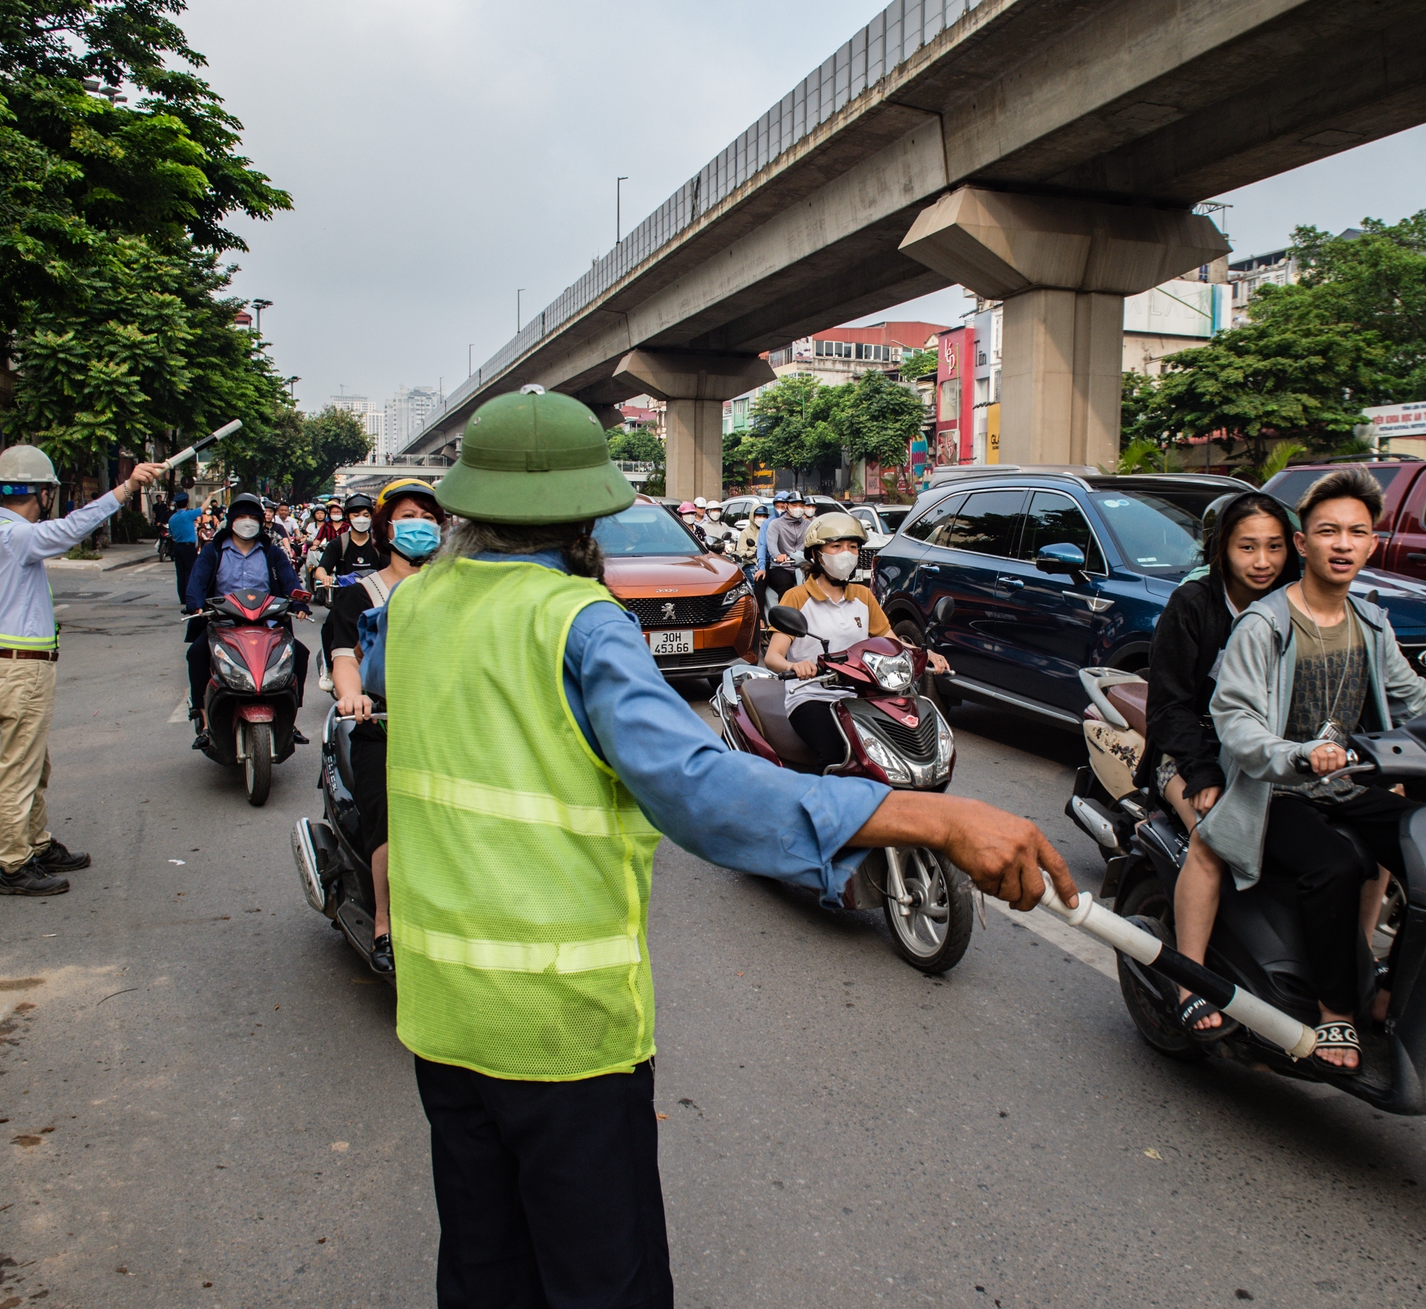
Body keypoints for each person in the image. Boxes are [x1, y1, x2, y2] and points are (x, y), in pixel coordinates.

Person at [379, 388, 1074, 1309]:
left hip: (443, 1013)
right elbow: (701, 790)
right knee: (602, 1282)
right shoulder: (579, 622)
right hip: (561, 1029)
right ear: (590, 512)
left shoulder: (413, 608)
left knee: (483, 1266)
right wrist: (932, 818)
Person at [1200, 467, 1426, 1072]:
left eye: (1356, 533)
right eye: (1328, 532)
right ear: (1303, 544)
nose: (1342, 544)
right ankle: (1335, 1010)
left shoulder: (1370, 623)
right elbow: (1235, 723)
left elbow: (1418, 700)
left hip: (1345, 784)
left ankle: (1395, 989)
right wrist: (1294, 754)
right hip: (1274, 795)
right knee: (1340, 863)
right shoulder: (1262, 626)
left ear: (1372, 544)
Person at [1132, 492, 1296, 1039]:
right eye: (1247, 547)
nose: (1262, 561)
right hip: (1190, 753)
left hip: (1270, 756)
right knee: (1215, 837)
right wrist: (1201, 773)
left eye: (1273, 547)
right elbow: (1168, 706)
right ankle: (1190, 978)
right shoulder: (1193, 605)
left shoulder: (1296, 603)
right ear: (1223, 549)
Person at [0, 445, 165, 896]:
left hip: (25, 671)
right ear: (39, 493)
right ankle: (15, 866)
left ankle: (37, 844)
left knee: (33, 767)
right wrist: (124, 489)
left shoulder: (4, 535)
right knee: (19, 772)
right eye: (49, 493)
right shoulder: (13, 536)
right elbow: (69, 530)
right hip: (20, 673)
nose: (52, 502)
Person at [325, 478, 444, 976]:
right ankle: (384, 925)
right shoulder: (361, 595)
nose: (419, 526)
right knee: (391, 816)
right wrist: (351, 693)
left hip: (448, 724)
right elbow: (343, 660)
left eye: (428, 518)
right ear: (385, 527)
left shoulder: (458, 591)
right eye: (408, 517)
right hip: (385, 722)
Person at [761, 512, 951, 767]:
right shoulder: (796, 597)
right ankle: (818, 804)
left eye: (852, 547)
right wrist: (794, 667)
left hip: (862, 694)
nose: (846, 553)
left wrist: (926, 655)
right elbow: (773, 658)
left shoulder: (862, 595)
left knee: (893, 752)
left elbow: (891, 641)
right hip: (812, 696)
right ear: (817, 553)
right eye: (836, 546)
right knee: (836, 753)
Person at [183, 492, 310, 747]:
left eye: (253, 517)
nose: (247, 522)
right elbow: (197, 581)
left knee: (300, 654)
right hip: (223, 623)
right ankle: (206, 723)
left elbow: (290, 581)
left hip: (266, 623)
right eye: (241, 516)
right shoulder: (214, 551)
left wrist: (298, 603)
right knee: (197, 655)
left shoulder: (272, 552)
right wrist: (195, 604)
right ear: (231, 520)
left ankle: (289, 718)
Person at [316, 492, 389, 591]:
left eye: (366, 515)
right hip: (345, 599)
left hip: (374, 599)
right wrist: (324, 577)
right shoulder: (337, 544)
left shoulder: (379, 544)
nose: (361, 519)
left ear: (371, 517)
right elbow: (321, 569)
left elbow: (391, 569)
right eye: (356, 515)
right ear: (347, 517)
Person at [755, 490, 807, 600]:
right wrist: (777, 555)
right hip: (781, 566)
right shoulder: (774, 524)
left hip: (803, 566)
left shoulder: (808, 525)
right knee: (785, 583)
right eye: (794, 504)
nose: (798, 508)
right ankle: (782, 615)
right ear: (786, 505)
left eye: (801, 505)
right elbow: (769, 545)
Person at [165, 492, 202, 606]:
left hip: (178, 547)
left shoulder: (172, 518)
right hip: (188, 547)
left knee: (180, 574)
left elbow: (170, 533)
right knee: (190, 572)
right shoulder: (188, 515)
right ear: (187, 503)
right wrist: (210, 496)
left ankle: (182, 598)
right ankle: (189, 596)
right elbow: (203, 508)